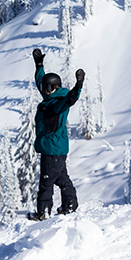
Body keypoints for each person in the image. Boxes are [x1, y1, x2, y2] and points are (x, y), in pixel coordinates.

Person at [27, 48, 85, 221]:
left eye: (48, 87)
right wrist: (39, 65)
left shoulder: (59, 102)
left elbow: (71, 99)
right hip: (54, 148)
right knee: (61, 179)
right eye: (45, 87)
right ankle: (70, 205)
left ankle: (42, 213)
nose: (44, 90)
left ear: (56, 87)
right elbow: (40, 81)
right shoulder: (49, 98)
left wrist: (79, 85)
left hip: (52, 149)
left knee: (46, 182)